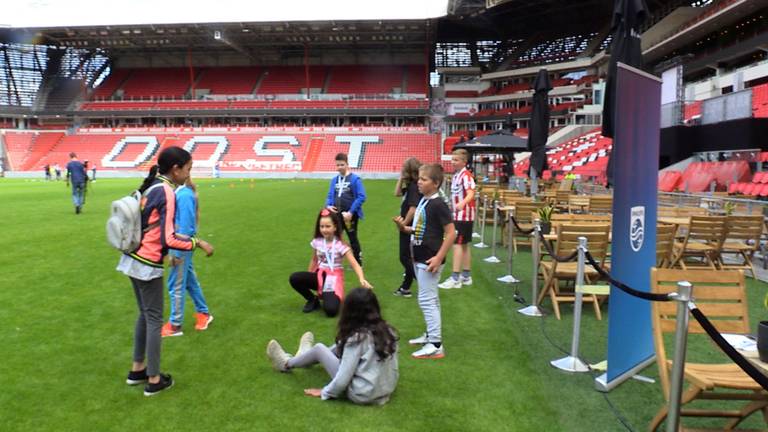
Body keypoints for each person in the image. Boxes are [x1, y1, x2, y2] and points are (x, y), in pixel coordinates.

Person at [117, 147, 215, 396]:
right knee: (153, 319)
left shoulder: (151, 186)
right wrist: (198, 243)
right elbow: (169, 237)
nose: (188, 174)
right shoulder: (168, 192)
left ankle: (137, 370)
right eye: (188, 169)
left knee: (144, 314)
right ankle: (153, 378)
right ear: (176, 169)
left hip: (131, 257)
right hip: (147, 263)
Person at [266, 287, 399, 405]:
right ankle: (306, 357)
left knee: (319, 349)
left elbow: (343, 378)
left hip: (361, 393)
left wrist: (325, 392)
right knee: (338, 347)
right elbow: (393, 368)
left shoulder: (357, 338)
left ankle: (286, 363)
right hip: (384, 390)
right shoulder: (388, 330)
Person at [394, 163, 456, 359]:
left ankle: (436, 344)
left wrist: (438, 257)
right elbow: (423, 228)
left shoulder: (438, 204)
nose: (419, 182)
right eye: (419, 178)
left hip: (430, 258)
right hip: (420, 255)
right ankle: (430, 335)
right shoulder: (425, 201)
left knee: (427, 300)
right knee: (430, 298)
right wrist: (404, 229)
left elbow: (451, 232)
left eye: (424, 179)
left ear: (436, 183)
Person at [289, 209, 372, 317]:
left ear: (335, 227)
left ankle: (329, 295)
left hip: (333, 279)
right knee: (294, 278)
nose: (324, 229)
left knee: (331, 310)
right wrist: (309, 275)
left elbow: (355, 264)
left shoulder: (341, 245)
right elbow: (314, 259)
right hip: (319, 276)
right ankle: (312, 300)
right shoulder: (317, 242)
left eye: (328, 226)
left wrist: (362, 279)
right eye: (322, 226)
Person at [161, 178, 214, 337]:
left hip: (181, 246)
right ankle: (203, 314)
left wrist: (176, 252)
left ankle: (175, 325)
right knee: (189, 282)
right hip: (180, 245)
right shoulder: (180, 192)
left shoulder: (183, 195)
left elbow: (186, 228)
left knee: (175, 284)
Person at [438, 149, 477, 290]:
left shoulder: (466, 176)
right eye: (452, 159)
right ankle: (466, 276)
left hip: (463, 216)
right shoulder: (457, 176)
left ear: (464, 161)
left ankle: (455, 277)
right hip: (458, 215)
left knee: (457, 244)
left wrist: (462, 203)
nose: (453, 162)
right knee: (464, 245)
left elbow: (471, 192)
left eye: (456, 160)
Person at [325, 153, 366, 266]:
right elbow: (330, 195)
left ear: (347, 164)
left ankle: (357, 261)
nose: (339, 167)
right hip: (336, 215)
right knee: (334, 237)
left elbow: (361, 196)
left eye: (342, 165)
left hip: (349, 216)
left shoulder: (355, 179)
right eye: (337, 165)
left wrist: (351, 212)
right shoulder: (335, 180)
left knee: (352, 238)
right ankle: (333, 260)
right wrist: (328, 205)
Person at [392, 157, 422, 298]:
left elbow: (413, 208)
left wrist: (403, 224)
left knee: (404, 257)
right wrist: (400, 178)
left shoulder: (414, 187)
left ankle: (423, 282)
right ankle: (405, 288)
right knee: (408, 257)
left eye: (404, 167)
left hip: (409, 226)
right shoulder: (410, 185)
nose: (402, 169)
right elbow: (397, 193)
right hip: (407, 224)